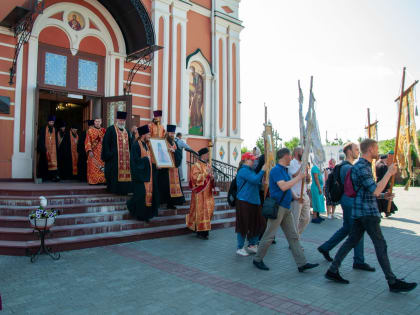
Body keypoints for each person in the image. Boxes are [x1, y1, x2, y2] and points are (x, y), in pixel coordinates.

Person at [325, 139, 417, 293]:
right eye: (376, 148)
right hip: (367, 213)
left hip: (361, 211)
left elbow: (368, 192)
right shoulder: (362, 167)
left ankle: (332, 270)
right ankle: (392, 281)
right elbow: (373, 190)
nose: (378, 150)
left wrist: (383, 196)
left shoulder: (363, 166)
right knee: (380, 245)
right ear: (370, 149)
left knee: (351, 241)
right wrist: (388, 172)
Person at [253, 148, 319, 272]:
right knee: (269, 235)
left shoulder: (284, 170)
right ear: (285, 156)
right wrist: (299, 177)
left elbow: (287, 187)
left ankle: (302, 263)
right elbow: (283, 186)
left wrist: (295, 197)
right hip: (278, 208)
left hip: (286, 207)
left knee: (293, 236)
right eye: (290, 156)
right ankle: (257, 259)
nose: (291, 158)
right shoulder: (276, 170)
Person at [318, 143, 375, 272]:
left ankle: (326, 247)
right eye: (356, 150)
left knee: (348, 228)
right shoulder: (348, 168)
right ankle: (358, 260)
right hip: (350, 202)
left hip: (347, 201)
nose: (358, 152)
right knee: (357, 230)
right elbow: (355, 186)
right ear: (349, 151)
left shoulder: (344, 166)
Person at [235, 152, 267, 256]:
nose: (254, 161)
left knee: (257, 223)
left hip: (254, 201)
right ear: (245, 160)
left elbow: (256, 184)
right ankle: (240, 247)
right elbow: (254, 180)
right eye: (251, 160)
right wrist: (262, 170)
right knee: (243, 225)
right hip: (244, 201)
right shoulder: (244, 170)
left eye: (254, 160)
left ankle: (252, 245)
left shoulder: (251, 170)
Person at [127, 125, 159, 222]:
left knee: (146, 196)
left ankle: (146, 215)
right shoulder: (136, 145)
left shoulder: (146, 145)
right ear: (143, 135)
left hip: (147, 176)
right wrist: (145, 160)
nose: (150, 135)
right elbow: (134, 161)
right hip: (140, 176)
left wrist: (156, 165)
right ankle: (139, 214)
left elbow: (149, 160)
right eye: (148, 134)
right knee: (140, 196)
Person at [186, 147, 215, 239]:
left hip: (208, 194)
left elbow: (210, 178)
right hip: (199, 194)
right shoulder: (196, 166)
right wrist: (206, 174)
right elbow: (195, 179)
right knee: (201, 212)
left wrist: (212, 177)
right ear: (203, 155)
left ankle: (205, 230)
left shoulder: (208, 165)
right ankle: (201, 231)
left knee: (209, 211)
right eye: (207, 154)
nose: (208, 156)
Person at [101, 111, 132, 195]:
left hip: (126, 160)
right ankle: (114, 189)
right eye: (120, 120)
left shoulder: (127, 132)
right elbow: (106, 143)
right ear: (117, 120)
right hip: (114, 159)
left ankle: (124, 190)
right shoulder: (111, 129)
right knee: (114, 174)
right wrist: (109, 154)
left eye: (123, 120)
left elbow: (131, 144)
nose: (122, 122)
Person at [158, 125, 185, 209]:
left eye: (173, 133)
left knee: (173, 188)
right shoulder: (163, 142)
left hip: (174, 169)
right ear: (167, 133)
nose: (172, 134)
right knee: (165, 187)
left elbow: (179, 154)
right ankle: (164, 202)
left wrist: (175, 151)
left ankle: (172, 203)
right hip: (166, 170)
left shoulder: (175, 143)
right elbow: (159, 152)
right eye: (170, 133)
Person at [288, 147, 311, 236]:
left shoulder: (304, 164)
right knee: (295, 219)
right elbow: (294, 175)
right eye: (302, 152)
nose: (304, 154)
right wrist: (302, 167)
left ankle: (296, 236)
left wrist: (308, 177)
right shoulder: (291, 163)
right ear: (297, 152)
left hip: (304, 193)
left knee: (306, 218)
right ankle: (294, 241)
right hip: (296, 194)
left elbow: (306, 180)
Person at [37, 115, 60, 182]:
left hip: (53, 151)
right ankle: (44, 177)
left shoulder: (55, 130)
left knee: (54, 163)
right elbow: (41, 140)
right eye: (50, 122)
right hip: (45, 150)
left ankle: (53, 177)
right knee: (44, 163)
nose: (51, 124)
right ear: (48, 122)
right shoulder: (43, 129)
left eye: (52, 122)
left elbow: (56, 140)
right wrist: (44, 149)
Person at [376, 151, 398, 217]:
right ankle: (387, 211)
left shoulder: (377, 164)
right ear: (384, 159)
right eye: (386, 159)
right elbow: (386, 177)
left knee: (379, 199)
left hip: (378, 182)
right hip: (383, 183)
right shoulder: (383, 166)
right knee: (386, 198)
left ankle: (384, 212)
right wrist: (388, 187)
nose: (387, 160)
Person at [85, 118, 106, 185]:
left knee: (102, 167)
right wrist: (89, 150)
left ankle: (102, 180)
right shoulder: (90, 131)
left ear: (101, 122)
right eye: (96, 121)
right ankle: (93, 181)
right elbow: (87, 141)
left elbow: (107, 141)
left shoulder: (104, 131)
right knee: (93, 167)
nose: (97, 123)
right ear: (94, 122)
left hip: (102, 153)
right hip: (93, 152)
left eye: (99, 121)